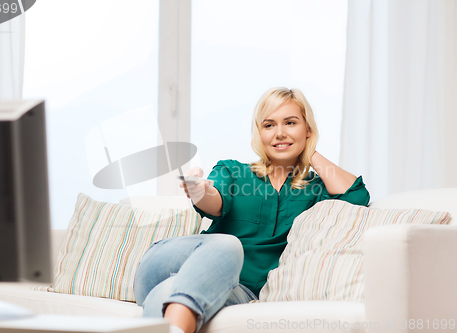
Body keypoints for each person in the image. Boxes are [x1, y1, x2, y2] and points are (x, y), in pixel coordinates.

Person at [133, 87, 370, 333]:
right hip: (166, 266)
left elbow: (356, 196)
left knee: (167, 292)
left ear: (307, 129)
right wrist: (199, 191)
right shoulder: (233, 171)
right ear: (259, 133)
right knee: (226, 245)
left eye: (290, 123)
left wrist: (310, 152)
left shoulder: (315, 189)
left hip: (235, 290)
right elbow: (215, 201)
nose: (279, 133)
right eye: (269, 125)